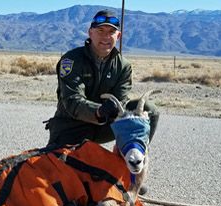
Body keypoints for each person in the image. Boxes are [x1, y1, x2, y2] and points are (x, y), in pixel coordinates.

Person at [45, 9, 159, 147]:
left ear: (118, 36)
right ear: (90, 33)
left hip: (104, 126)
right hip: (71, 127)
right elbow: (72, 101)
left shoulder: (123, 66)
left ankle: (136, 157)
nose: (106, 36)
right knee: (60, 166)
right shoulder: (72, 60)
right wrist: (98, 110)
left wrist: (115, 108)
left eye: (111, 32)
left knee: (149, 109)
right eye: (100, 31)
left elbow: (121, 101)